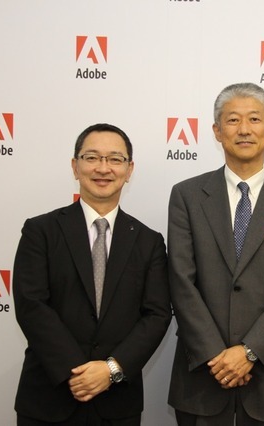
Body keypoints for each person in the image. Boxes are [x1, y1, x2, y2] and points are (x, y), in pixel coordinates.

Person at [167, 82, 264, 426]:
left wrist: (249, 351)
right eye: (233, 120)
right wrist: (216, 355)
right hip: (202, 373)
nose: (244, 129)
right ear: (217, 131)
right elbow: (181, 281)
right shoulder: (187, 196)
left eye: (254, 119)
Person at [13, 123, 171, 425]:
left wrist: (110, 370)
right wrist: (77, 372)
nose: (103, 168)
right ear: (75, 166)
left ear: (129, 169)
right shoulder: (40, 231)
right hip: (49, 398)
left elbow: (157, 314)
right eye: (92, 157)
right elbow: (31, 305)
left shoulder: (148, 241)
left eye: (115, 159)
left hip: (117, 403)